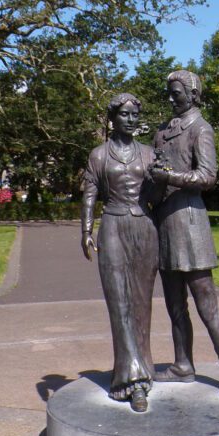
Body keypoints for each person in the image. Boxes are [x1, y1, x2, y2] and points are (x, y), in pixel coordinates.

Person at [149, 69, 219, 401]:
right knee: (175, 305)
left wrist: (170, 175)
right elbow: (154, 172)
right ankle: (182, 365)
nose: (172, 98)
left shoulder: (200, 129)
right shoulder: (162, 132)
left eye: (177, 93)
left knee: (208, 308)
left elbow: (208, 176)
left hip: (190, 223)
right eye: (169, 92)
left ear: (193, 95)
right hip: (165, 224)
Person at [80, 93, 159, 412]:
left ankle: (144, 369)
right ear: (113, 118)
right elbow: (89, 194)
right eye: (125, 114)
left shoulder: (150, 154)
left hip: (144, 229)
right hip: (112, 227)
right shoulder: (99, 155)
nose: (131, 119)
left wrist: (163, 176)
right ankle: (131, 382)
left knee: (141, 306)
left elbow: (158, 193)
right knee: (120, 304)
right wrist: (85, 230)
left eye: (134, 114)